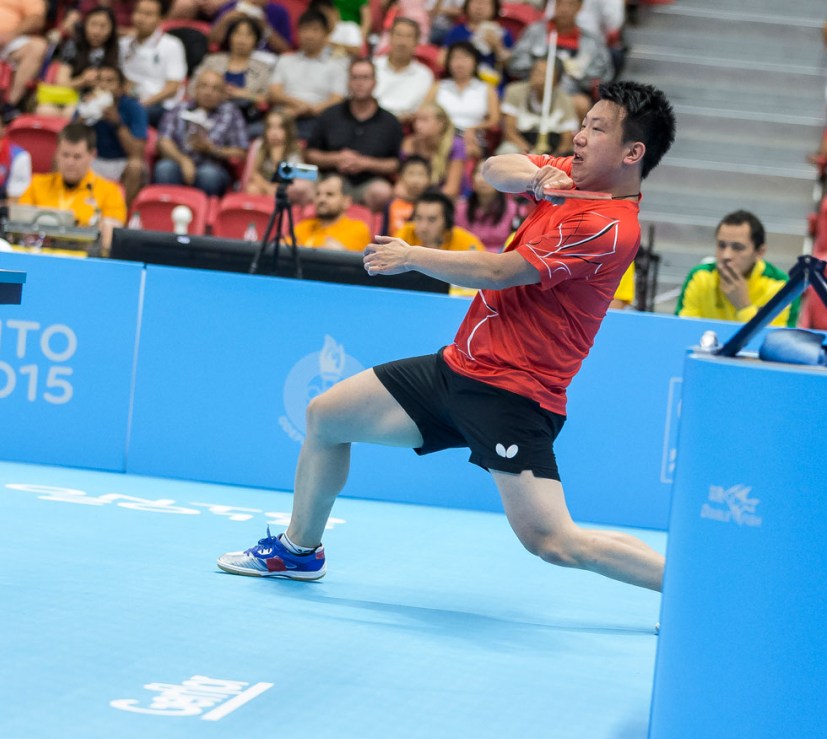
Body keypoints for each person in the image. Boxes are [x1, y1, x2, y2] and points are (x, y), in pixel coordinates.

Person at [217, 81, 677, 597]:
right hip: (458, 368)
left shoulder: (610, 225)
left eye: (597, 128)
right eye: (584, 123)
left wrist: (412, 256)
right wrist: (535, 178)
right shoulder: (572, 176)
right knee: (327, 416)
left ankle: (688, 587)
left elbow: (500, 270)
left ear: (633, 152)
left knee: (553, 541)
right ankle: (297, 551)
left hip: (513, 394)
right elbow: (493, 169)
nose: (580, 136)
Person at [304, 57, 403, 213]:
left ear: (375, 82)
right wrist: (336, 159)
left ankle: (371, 234)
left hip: (367, 182)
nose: (360, 83)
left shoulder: (390, 122)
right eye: (355, 77)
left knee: (382, 192)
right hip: (330, 179)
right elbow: (310, 154)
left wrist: (366, 163)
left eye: (365, 78)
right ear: (348, 82)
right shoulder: (330, 115)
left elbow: (395, 163)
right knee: (300, 186)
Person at [675, 210, 798, 327]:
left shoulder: (782, 287)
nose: (726, 255)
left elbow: (775, 345)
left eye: (737, 247)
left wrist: (744, 307)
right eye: (721, 245)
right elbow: (682, 332)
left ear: (760, 252)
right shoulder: (700, 277)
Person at [18, 122, 127, 249]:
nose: (70, 162)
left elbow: (110, 239)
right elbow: (19, 226)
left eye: (77, 157)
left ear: (92, 155)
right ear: (57, 153)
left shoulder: (110, 192)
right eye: (65, 155)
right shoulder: (37, 184)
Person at [507, 0, 613, 122]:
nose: (564, 9)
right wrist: (538, 71)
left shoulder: (591, 41)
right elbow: (515, 63)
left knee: (581, 103)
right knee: (513, 93)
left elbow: (605, 73)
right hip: (533, 90)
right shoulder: (534, 31)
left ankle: (576, 140)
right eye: (560, 3)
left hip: (570, 93)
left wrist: (579, 76)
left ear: (580, 7)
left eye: (570, 4)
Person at [153, 69, 248, 197]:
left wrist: (213, 149)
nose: (208, 92)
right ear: (195, 89)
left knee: (208, 175)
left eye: (215, 89)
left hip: (212, 166)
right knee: (165, 168)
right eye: (204, 86)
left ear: (223, 94)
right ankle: (164, 212)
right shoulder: (179, 108)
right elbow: (163, 141)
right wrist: (183, 161)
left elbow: (241, 152)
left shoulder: (231, 113)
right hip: (179, 160)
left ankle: (204, 215)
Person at [72, 63, 147, 207]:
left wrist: (117, 123)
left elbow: (137, 152)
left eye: (110, 81)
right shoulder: (87, 102)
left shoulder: (133, 107)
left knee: (136, 167)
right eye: (100, 80)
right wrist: (82, 118)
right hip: (92, 160)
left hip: (120, 162)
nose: (104, 86)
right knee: (64, 157)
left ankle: (122, 214)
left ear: (120, 87)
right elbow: (69, 140)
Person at [267, 9, 348, 139]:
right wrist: (299, 106)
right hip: (284, 118)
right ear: (297, 33)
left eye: (315, 30)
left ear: (326, 35)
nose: (309, 35)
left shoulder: (337, 65)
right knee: (257, 133)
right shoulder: (285, 60)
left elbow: (336, 100)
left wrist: (309, 109)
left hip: (318, 120)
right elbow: (274, 93)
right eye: (305, 30)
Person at [425, 40, 500, 159]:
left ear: (475, 62)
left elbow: (494, 120)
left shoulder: (486, 89)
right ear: (448, 62)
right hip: (441, 135)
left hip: (472, 137)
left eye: (465, 58)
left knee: (467, 148)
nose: (460, 63)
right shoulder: (438, 86)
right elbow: (424, 111)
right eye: (455, 58)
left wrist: (473, 128)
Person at [42, 6, 120, 117]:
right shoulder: (73, 46)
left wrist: (100, 87)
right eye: (93, 25)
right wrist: (82, 80)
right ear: (84, 25)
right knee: (45, 110)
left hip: (99, 100)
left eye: (103, 26)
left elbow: (119, 86)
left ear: (112, 29)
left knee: (73, 112)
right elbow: (61, 82)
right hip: (68, 96)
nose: (97, 31)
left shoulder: (117, 50)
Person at [119, 0, 187, 127]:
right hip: (131, 100)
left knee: (127, 116)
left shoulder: (172, 45)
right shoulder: (124, 44)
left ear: (160, 18)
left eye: (148, 14)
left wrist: (143, 104)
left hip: (159, 105)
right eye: (138, 12)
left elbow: (172, 88)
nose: (141, 18)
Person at [193, 15, 275, 122]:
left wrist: (243, 94)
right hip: (206, 115)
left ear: (256, 40)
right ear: (230, 37)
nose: (242, 40)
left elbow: (269, 98)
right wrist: (216, 93)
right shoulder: (212, 61)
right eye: (237, 33)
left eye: (248, 35)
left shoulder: (263, 69)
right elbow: (192, 87)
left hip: (246, 119)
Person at [497, 55, 578, 156]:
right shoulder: (514, 91)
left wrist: (554, 159)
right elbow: (509, 131)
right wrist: (530, 153)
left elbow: (566, 140)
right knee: (507, 151)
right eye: (536, 71)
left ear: (556, 80)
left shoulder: (565, 100)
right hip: (521, 146)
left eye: (545, 75)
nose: (537, 77)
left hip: (552, 150)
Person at [372, 18, 434, 125]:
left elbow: (420, 110)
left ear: (416, 42)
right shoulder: (372, 66)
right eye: (398, 35)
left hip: (405, 127)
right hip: (371, 120)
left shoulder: (425, 75)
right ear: (390, 38)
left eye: (408, 36)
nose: (402, 42)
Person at [401, 102, 467, 200]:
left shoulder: (455, 144)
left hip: (446, 199)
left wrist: (425, 202)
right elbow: (400, 187)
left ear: (441, 123)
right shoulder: (410, 144)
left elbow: (452, 189)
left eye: (424, 120)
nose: (417, 125)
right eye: (416, 120)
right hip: (416, 197)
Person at [438, 0, 513, 86]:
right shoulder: (456, 31)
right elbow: (441, 59)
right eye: (475, 2)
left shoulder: (503, 33)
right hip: (461, 82)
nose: (479, 7)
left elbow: (511, 68)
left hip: (492, 83)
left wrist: (497, 47)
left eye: (485, 3)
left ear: (494, 8)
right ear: (467, 5)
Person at [291, 172, 372, 251]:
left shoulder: (357, 230)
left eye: (330, 194)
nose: (321, 199)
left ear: (346, 201)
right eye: (318, 194)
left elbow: (356, 262)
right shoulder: (303, 227)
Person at [455, 161, 519, 252]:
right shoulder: (460, 209)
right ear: (472, 179)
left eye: (489, 174)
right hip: (467, 260)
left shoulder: (514, 209)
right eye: (479, 173)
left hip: (501, 261)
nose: (482, 179)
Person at [245, 109, 302, 196]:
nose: (274, 133)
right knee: (252, 189)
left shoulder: (293, 151)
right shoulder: (259, 144)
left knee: (278, 192)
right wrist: (267, 187)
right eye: (270, 127)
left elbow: (288, 179)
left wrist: (276, 158)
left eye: (280, 128)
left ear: (289, 131)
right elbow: (254, 173)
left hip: (285, 185)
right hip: (263, 183)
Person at [208, 0, 291, 55]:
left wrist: (264, 27)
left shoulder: (278, 12)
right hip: (231, 55)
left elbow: (285, 49)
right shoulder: (230, 7)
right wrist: (226, 20)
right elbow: (212, 41)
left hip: (265, 59)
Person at [386, 155, 433, 234]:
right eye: (410, 174)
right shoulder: (391, 205)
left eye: (421, 174)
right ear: (401, 177)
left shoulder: (433, 206)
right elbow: (383, 235)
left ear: (429, 179)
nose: (415, 180)